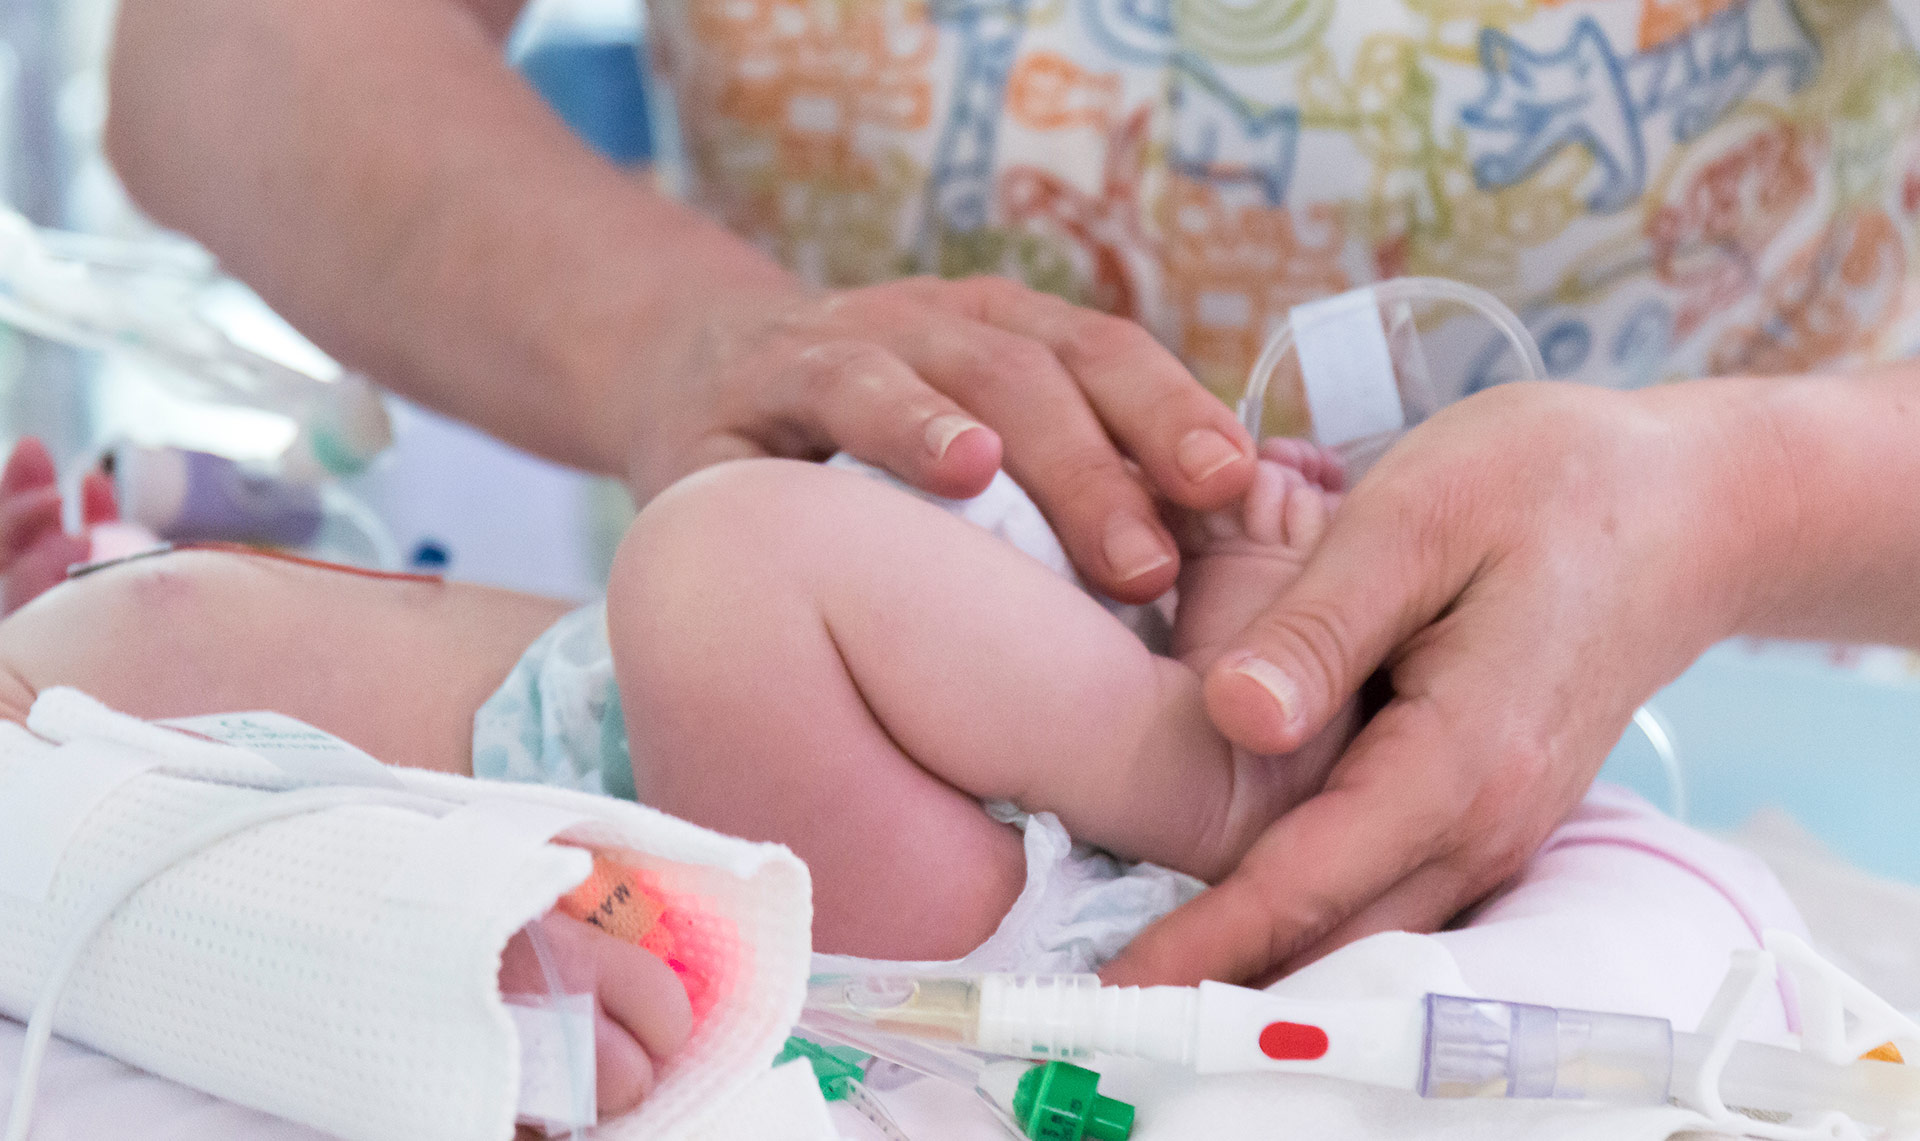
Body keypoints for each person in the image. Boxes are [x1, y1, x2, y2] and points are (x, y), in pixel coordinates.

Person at [103, 0, 1920, 988]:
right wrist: (683, 342)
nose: (1280, 461)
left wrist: (1731, 498)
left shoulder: (948, 851)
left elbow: (728, 584)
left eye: (1309, 562)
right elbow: (225, 50)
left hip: (1744, 664)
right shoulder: (863, 696)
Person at [0, 432, 1809, 1125]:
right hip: (873, 899)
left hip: (859, 781)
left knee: (759, 563)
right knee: (726, 562)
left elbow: (294, 524)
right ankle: (1236, 777)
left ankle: (1243, 709)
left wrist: (119, 534)